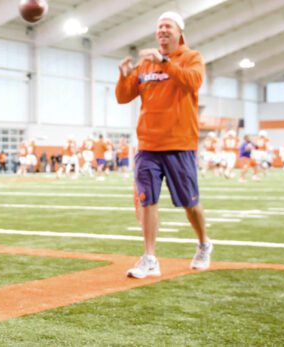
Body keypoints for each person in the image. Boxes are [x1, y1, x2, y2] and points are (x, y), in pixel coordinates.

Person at [115, 11, 212, 278]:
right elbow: (124, 97)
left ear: (180, 31)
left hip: (179, 144)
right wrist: (124, 76)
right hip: (148, 144)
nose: (162, 31)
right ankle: (149, 257)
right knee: (147, 200)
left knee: (189, 203)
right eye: (159, 27)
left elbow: (193, 82)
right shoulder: (145, 64)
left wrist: (166, 62)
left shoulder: (192, 58)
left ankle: (204, 243)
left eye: (167, 26)